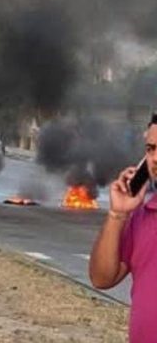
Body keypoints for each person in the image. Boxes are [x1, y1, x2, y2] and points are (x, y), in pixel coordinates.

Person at [89, 114, 157, 342]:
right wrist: (117, 214)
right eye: (151, 149)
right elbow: (102, 278)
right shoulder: (142, 215)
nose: (155, 158)